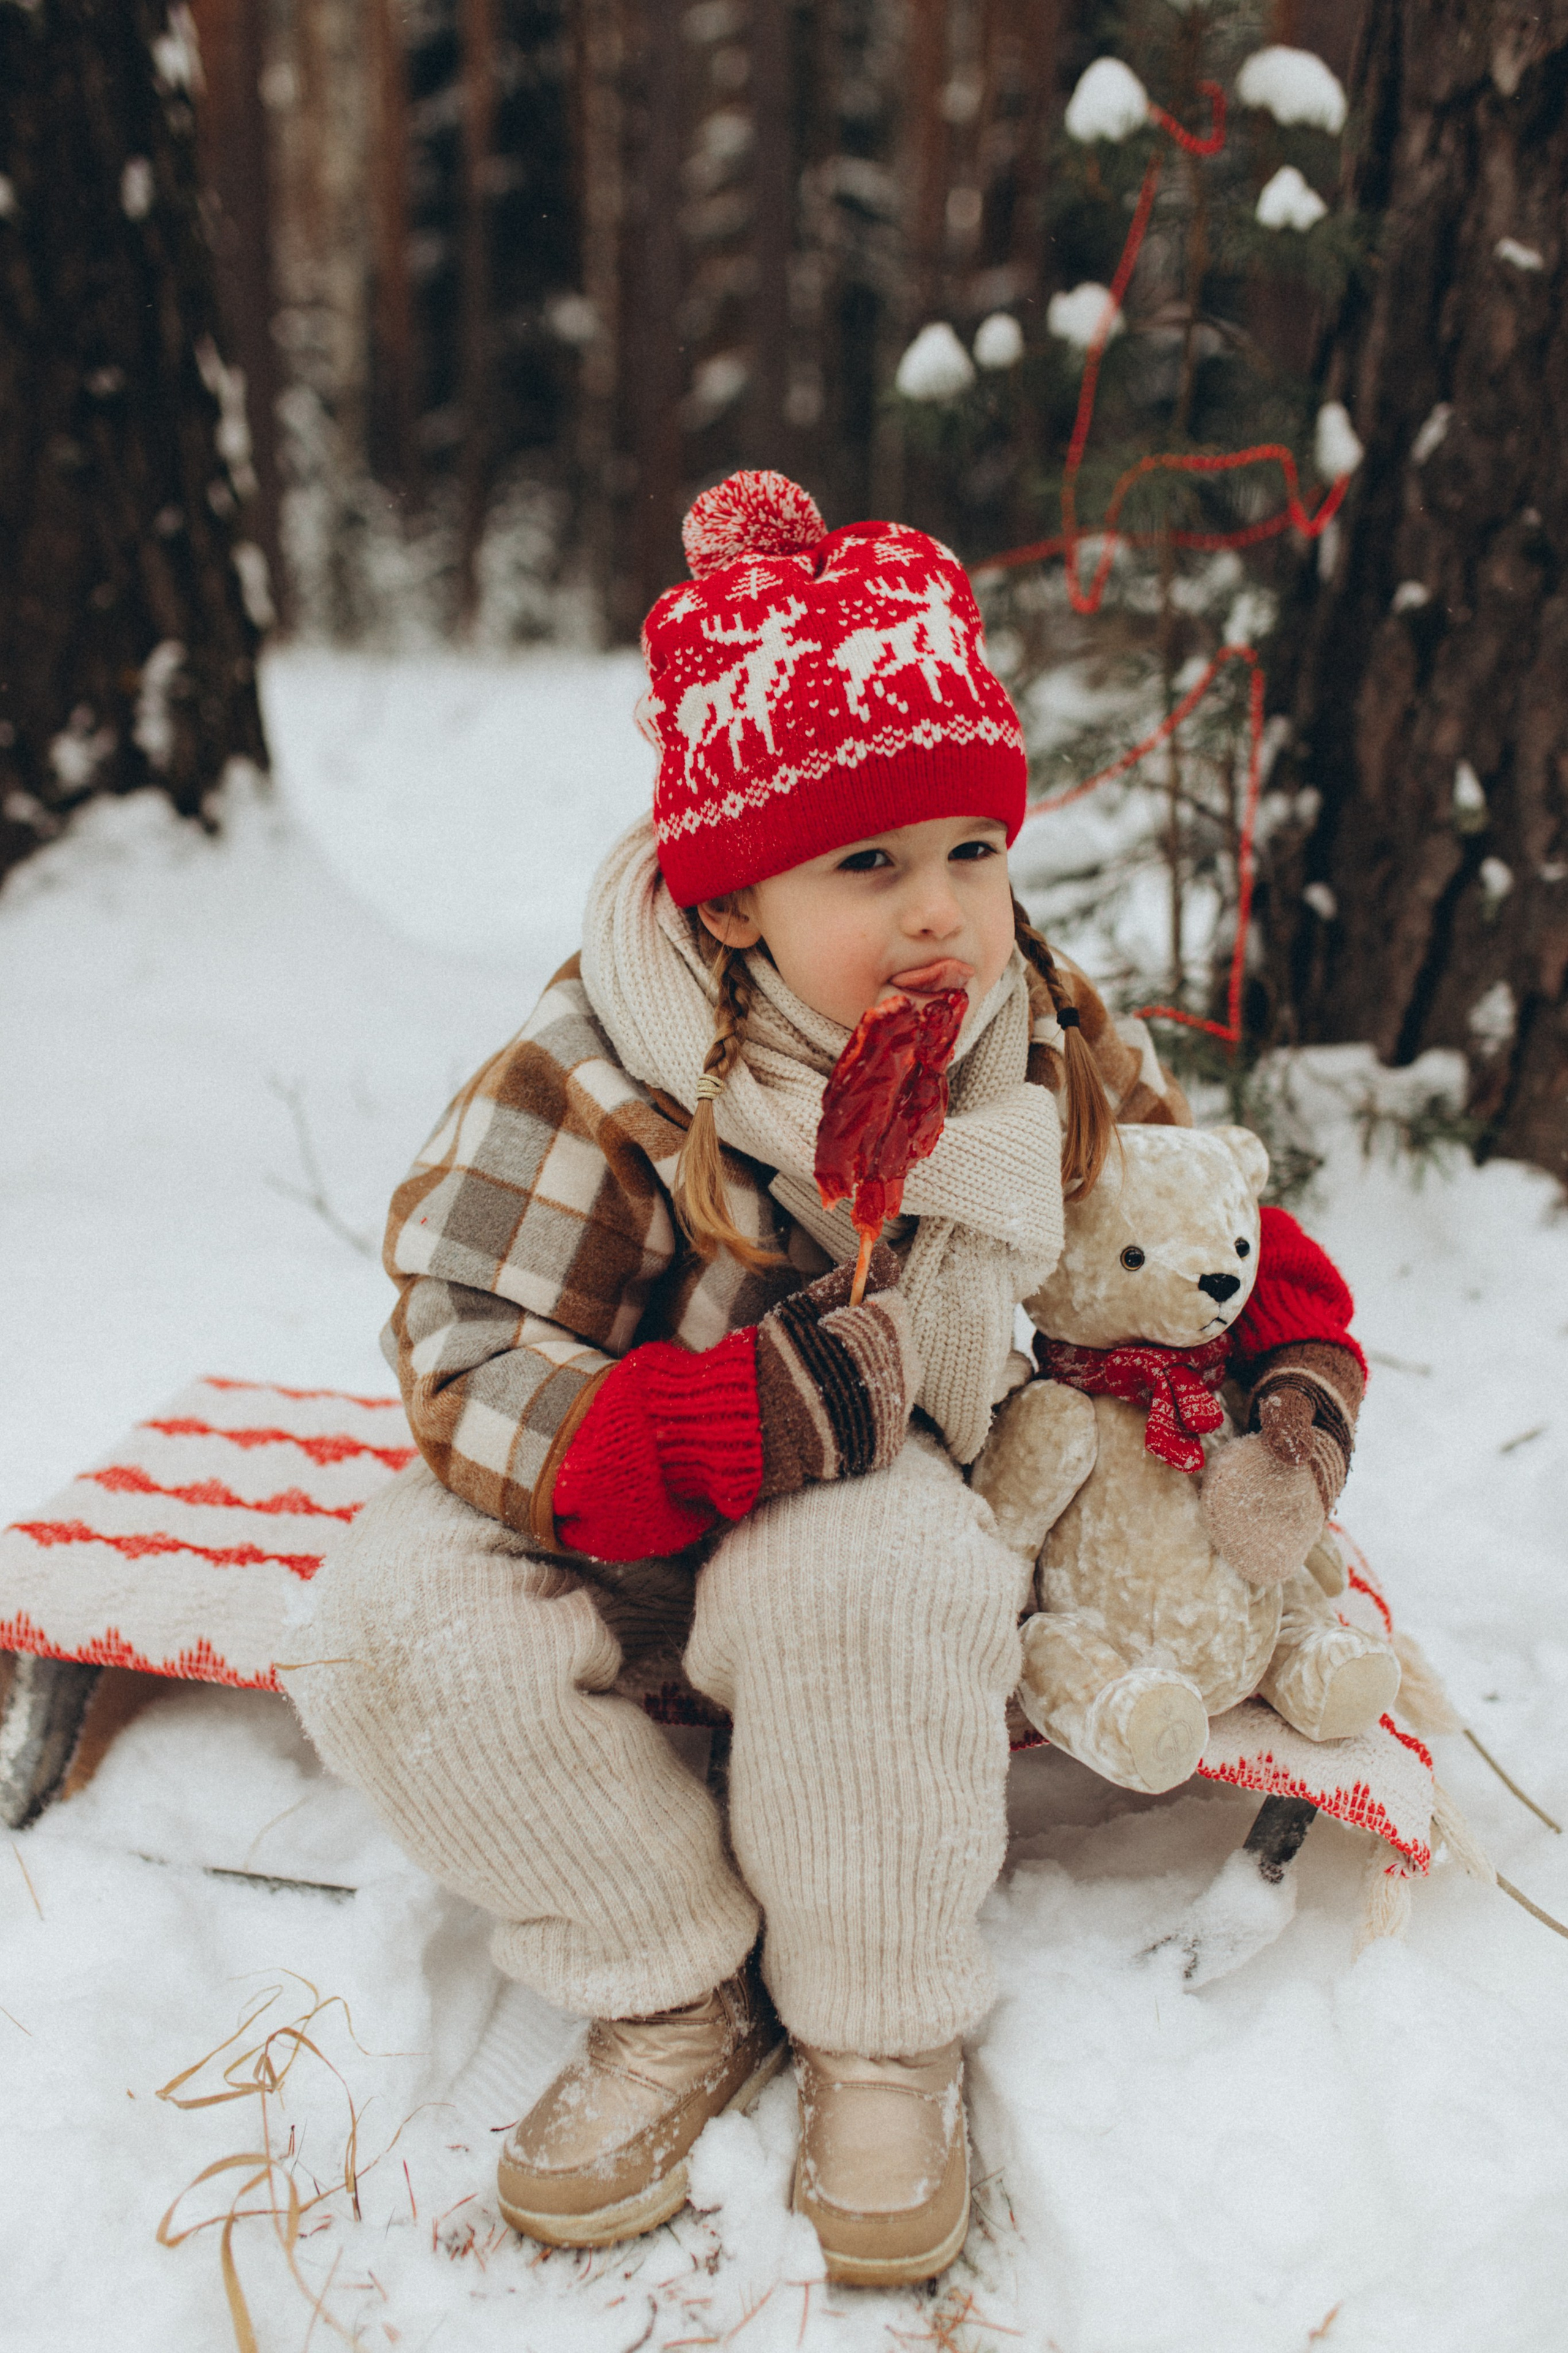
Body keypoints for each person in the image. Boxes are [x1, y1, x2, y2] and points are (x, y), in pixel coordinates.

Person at [282, 471, 1363, 2289]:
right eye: (868, 865)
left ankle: (873, 2013)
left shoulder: (1035, 1025)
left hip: (866, 1519)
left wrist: (1288, 1379)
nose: (940, 911)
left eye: (969, 848)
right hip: (621, 1504)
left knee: (891, 1568)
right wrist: (688, 1427)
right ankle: (668, 1973)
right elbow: (465, 1336)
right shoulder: (604, 1063)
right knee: (389, 1622)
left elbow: (1189, 1217)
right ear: (730, 903)